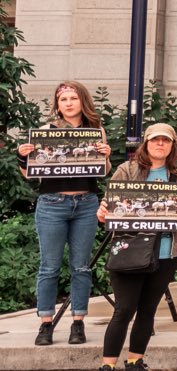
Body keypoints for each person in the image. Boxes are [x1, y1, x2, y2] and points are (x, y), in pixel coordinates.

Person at [19, 81, 111, 346]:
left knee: (81, 266)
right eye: (63, 99)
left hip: (86, 203)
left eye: (73, 98)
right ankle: (45, 324)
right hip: (51, 203)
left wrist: (105, 155)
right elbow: (29, 174)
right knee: (49, 266)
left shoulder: (96, 131)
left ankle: (78, 322)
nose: (68, 103)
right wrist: (23, 157)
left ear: (83, 101)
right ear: (57, 105)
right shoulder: (45, 132)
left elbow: (102, 171)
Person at [96, 123, 177, 371]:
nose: (160, 144)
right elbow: (107, 205)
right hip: (129, 251)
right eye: (155, 140)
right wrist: (103, 212)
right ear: (145, 144)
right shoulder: (126, 170)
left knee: (148, 310)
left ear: (172, 146)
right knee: (124, 309)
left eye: (166, 141)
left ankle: (135, 361)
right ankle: (108, 365)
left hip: (166, 252)